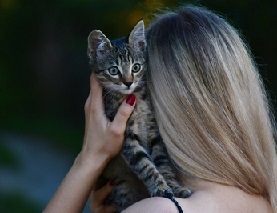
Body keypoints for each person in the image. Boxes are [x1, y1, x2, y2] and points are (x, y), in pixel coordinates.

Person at [44, 5, 277, 213]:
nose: (132, 85)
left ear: (176, 99)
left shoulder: (162, 208)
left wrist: (90, 157)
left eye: (146, 79)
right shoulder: (269, 196)